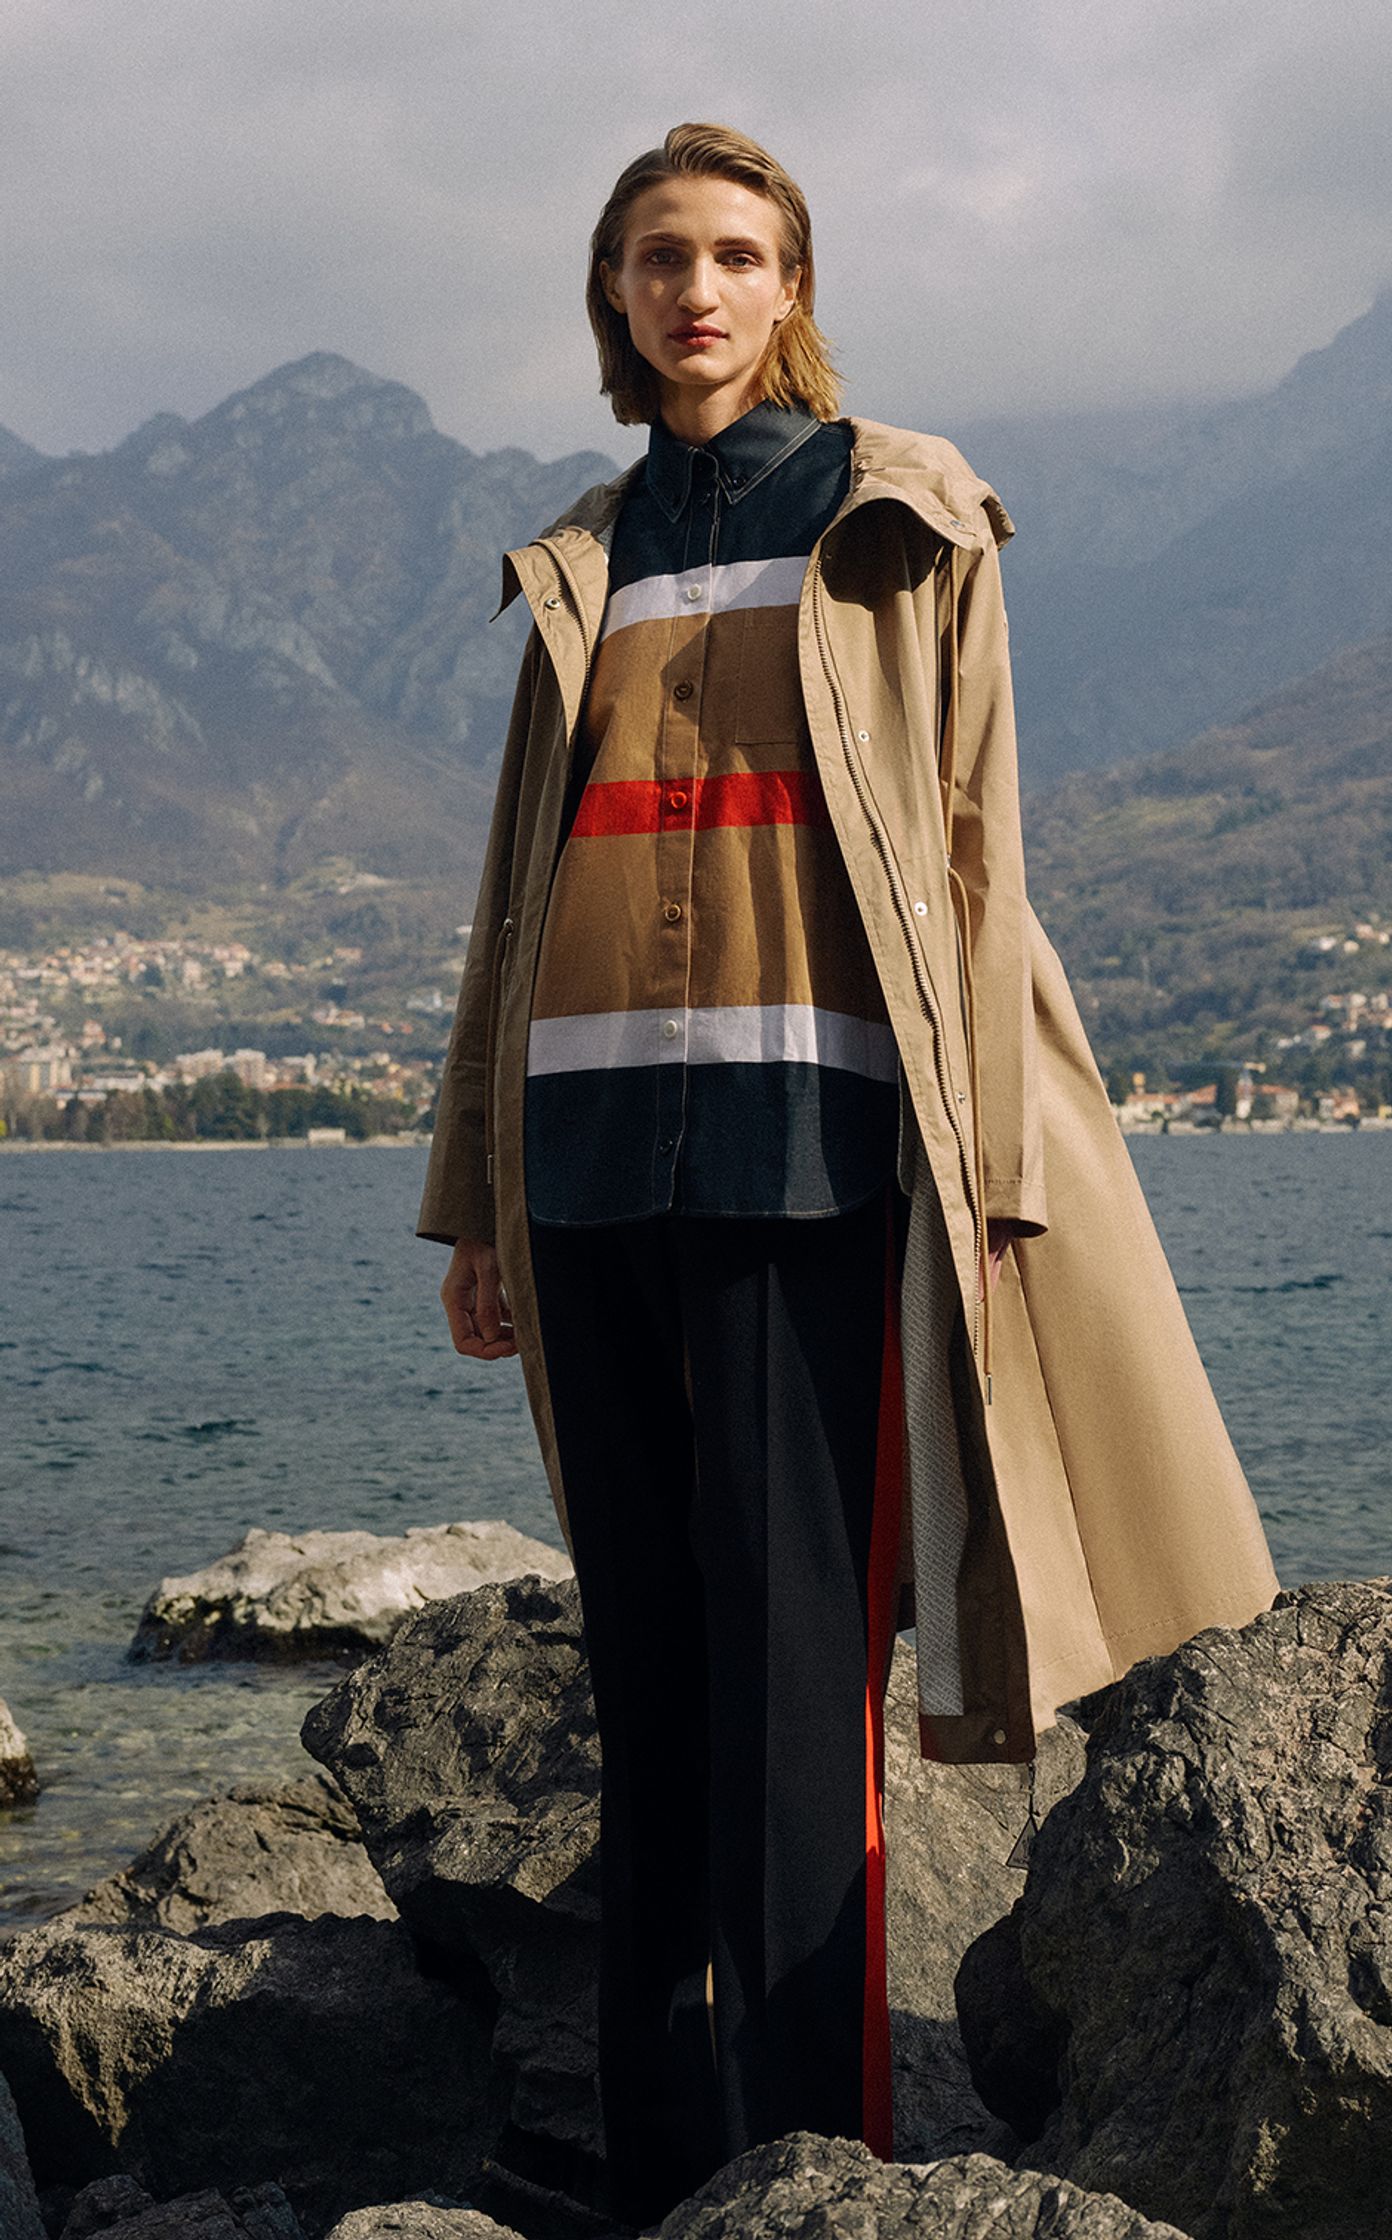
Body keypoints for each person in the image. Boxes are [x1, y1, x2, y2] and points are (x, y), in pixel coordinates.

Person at [418, 121, 1281, 2229]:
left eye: (731, 254)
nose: (692, 289)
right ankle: (653, 2168)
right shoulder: (583, 556)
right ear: (611, 300)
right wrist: (472, 1202)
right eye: (653, 258)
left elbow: (977, 866)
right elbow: (510, 901)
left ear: (792, 284)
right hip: (595, 1175)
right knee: (648, 1674)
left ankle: (803, 2162)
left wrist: (986, 1177)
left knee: (801, 1686)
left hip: (820, 1170)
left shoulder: (897, 517)